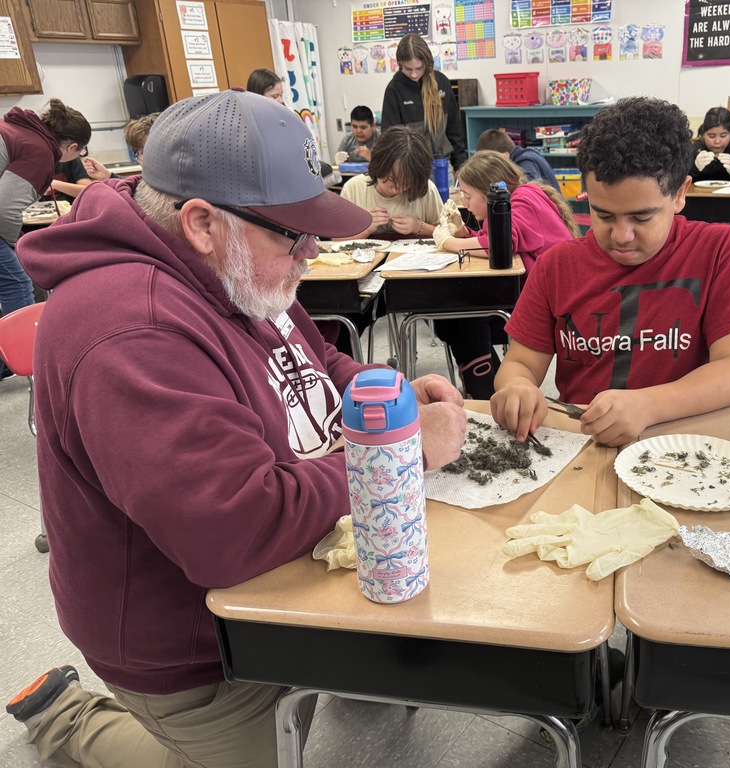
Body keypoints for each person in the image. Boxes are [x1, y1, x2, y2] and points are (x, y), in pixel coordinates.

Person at [5, 89, 467, 767]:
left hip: (273, 593)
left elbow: (317, 356)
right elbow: (235, 526)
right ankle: (70, 719)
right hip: (190, 645)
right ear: (200, 222)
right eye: (293, 233)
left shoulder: (236, 263)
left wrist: (383, 395)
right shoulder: (128, 329)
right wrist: (397, 452)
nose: (312, 250)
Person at [490, 96, 730, 447]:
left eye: (641, 217)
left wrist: (647, 405)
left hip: (689, 446)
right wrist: (517, 388)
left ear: (679, 194)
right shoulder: (557, 266)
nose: (621, 236)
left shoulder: (723, 251)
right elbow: (521, 363)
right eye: (603, 215)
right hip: (585, 448)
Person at [430, 149, 580, 398]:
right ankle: (482, 382)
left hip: (552, 305)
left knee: (461, 313)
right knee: (451, 315)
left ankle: (483, 389)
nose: (465, 203)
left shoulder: (521, 200)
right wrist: (464, 235)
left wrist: (448, 243)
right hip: (534, 292)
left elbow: (502, 244)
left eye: (468, 196)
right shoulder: (512, 199)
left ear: (487, 190)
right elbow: (494, 237)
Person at [0, 98, 91, 379]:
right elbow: (4, 208)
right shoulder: (40, 150)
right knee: (17, 281)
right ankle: (23, 361)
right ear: (73, 147)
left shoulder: (18, 128)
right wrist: (15, 244)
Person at [339, 125, 445, 240]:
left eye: (406, 184)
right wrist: (366, 228)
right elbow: (336, 239)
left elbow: (448, 233)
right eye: (391, 180)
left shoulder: (425, 189)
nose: (396, 189)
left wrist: (418, 226)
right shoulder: (353, 188)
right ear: (378, 166)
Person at [381, 33, 467, 173]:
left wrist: (460, 166)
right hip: (412, 168)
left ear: (427, 63)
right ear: (400, 63)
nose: (414, 74)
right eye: (408, 69)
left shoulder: (441, 82)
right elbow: (390, 138)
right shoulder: (394, 90)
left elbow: (454, 129)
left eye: (419, 68)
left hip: (442, 164)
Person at [476, 127, 560, 189]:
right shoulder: (521, 155)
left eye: (492, 165)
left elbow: (525, 195)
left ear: (504, 157)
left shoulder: (526, 163)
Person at [83, 112, 159, 179]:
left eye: (155, 149)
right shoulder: (144, 185)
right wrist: (107, 175)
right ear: (138, 158)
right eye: (143, 152)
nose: (151, 158)